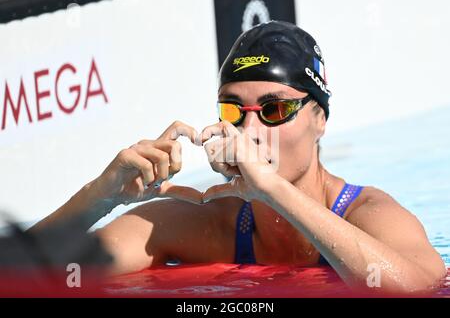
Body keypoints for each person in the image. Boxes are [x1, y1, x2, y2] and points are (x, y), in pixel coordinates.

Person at [31, 21, 446, 293]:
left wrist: (271, 189)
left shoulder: (368, 215)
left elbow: (421, 288)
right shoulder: (205, 222)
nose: (250, 131)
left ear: (320, 119)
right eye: (233, 110)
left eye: (275, 109)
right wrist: (101, 196)